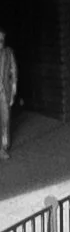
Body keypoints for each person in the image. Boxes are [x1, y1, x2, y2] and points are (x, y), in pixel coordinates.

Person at [0, 28, 17, 160]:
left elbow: (13, 72)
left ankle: (4, 148)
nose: (0, 43)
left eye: (2, 40)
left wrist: (13, 90)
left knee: (5, 120)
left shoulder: (8, 53)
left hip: (4, 92)